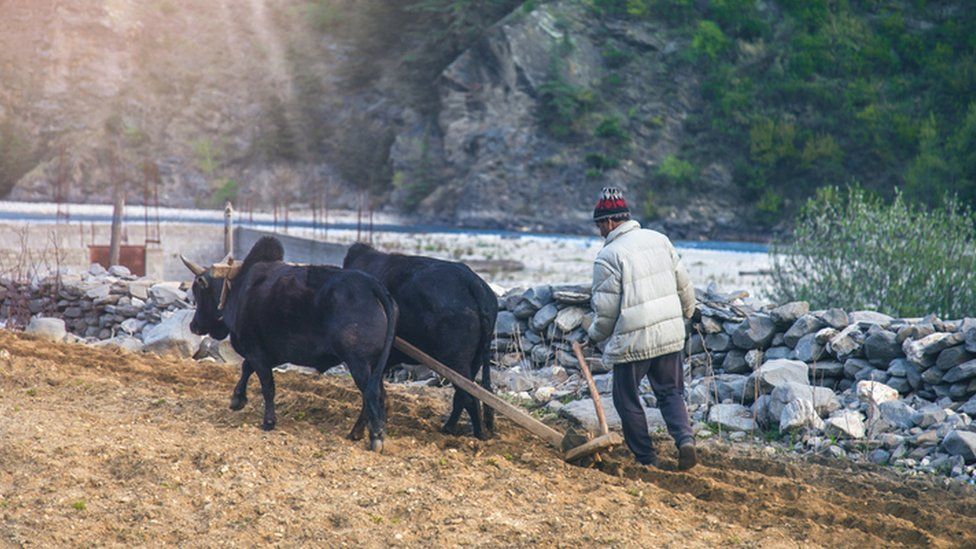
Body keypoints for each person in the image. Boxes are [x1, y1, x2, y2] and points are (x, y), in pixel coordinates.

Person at [585, 187, 698, 470]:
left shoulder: (608, 256)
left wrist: (593, 336)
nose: (600, 232)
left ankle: (647, 458)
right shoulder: (660, 240)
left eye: (600, 226)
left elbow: (607, 312)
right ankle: (685, 439)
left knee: (627, 399)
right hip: (670, 334)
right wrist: (686, 313)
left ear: (609, 222)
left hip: (634, 339)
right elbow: (684, 285)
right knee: (671, 393)